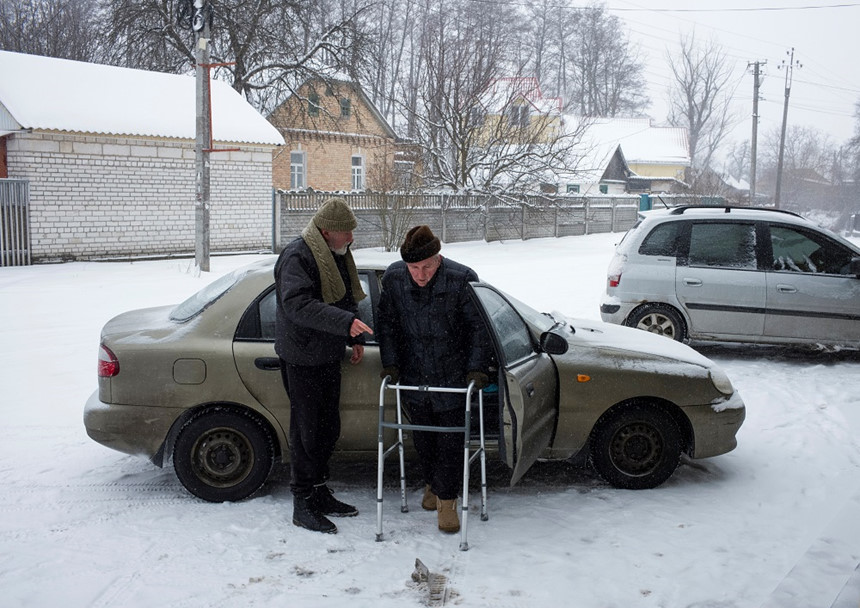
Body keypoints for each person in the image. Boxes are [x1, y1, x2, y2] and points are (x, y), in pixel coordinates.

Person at [376, 225, 491, 534]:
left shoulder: (461, 278)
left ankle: (448, 500)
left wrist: (475, 368)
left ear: (438, 257)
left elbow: (479, 329)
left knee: (451, 440)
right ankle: (432, 484)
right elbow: (386, 324)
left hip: (452, 374)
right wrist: (391, 364)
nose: (421, 274)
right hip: (414, 373)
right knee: (423, 439)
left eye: (426, 266)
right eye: (414, 267)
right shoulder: (395, 278)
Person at [274, 197, 373, 534]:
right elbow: (297, 305)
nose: (351, 239)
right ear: (328, 231)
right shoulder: (298, 256)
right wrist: (345, 324)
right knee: (306, 432)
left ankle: (318, 491)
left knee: (327, 428)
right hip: (302, 358)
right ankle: (302, 503)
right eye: (347, 233)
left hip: (327, 355)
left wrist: (354, 337)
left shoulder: (334, 255)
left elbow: (345, 298)